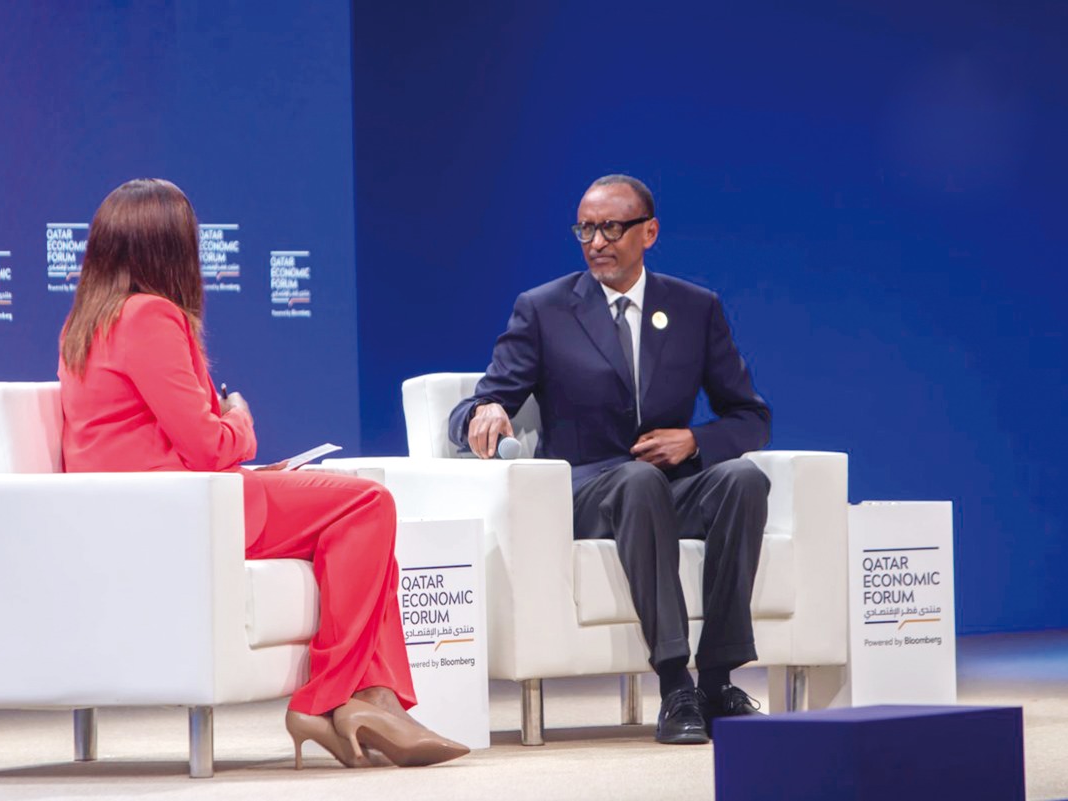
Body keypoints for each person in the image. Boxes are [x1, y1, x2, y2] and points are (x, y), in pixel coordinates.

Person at [58, 178, 467, 769]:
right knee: (368, 504)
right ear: (170, 247)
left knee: (365, 538)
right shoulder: (150, 315)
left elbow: (140, 439)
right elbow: (206, 445)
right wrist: (239, 418)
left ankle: (374, 701)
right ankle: (332, 697)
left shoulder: (84, 324)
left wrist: (237, 454)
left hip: (154, 505)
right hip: (189, 507)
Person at [448, 174, 772, 745]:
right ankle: (676, 685)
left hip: (665, 483)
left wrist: (693, 442)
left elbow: (751, 417)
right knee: (637, 482)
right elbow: (482, 398)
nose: (596, 241)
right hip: (585, 489)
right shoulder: (545, 309)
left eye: (611, 228)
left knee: (743, 479)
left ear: (649, 232)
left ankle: (718, 681)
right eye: (586, 229)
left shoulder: (695, 308)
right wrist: (485, 412)